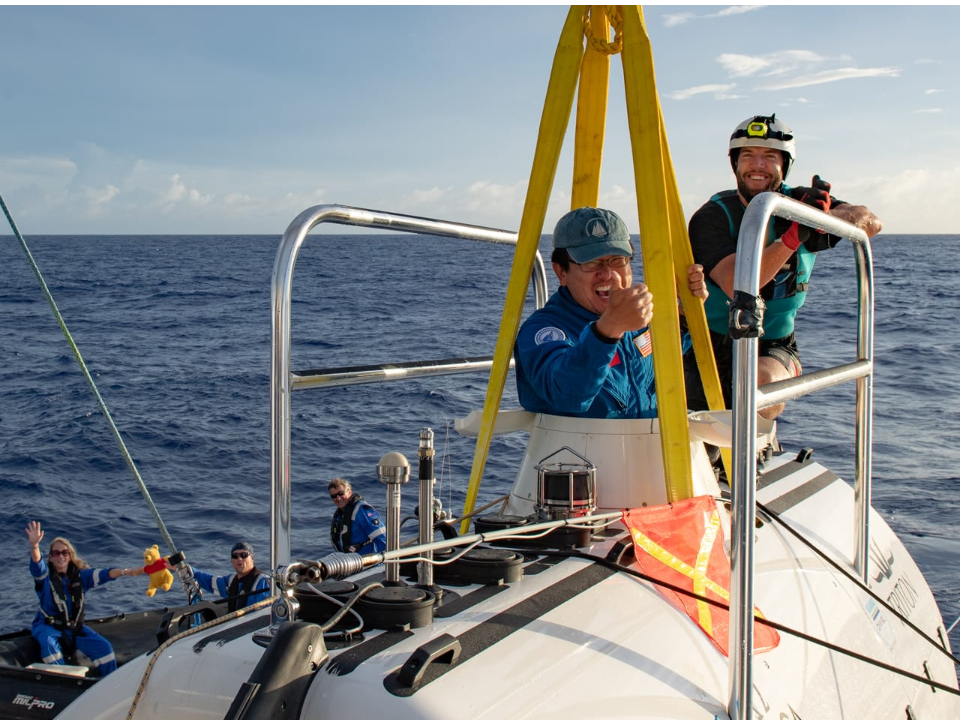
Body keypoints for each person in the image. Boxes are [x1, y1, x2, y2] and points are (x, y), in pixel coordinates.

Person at [684, 113, 882, 420]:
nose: (757, 165)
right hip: (706, 338)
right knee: (692, 424)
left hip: (773, 342)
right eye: (747, 156)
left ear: (784, 165)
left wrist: (822, 220)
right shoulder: (712, 217)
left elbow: (870, 221)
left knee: (761, 385)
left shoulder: (799, 204)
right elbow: (741, 282)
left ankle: (758, 448)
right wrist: (793, 237)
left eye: (769, 157)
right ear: (735, 164)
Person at [513, 206, 708, 418]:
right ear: (561, 272)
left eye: (617, 260)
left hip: (645, 445)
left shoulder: (634, 320)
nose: (608, 275)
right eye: (591, 262)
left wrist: (682, 315)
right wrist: (607, 331)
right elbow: (567, 395)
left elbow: (661, 362)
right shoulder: (542, 330)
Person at [26, 520, 143, 676]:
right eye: (56, 553)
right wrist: (34, 546)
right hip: (47, 626)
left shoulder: (81, 577)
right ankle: (64, 683)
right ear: (51, 558)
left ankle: (108, 684)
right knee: (48, 646)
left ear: (70, 556)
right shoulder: (45, 576)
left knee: (104, 648)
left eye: (64, 553)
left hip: (73, 627)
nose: (60, 556)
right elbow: (37, 565)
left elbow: (105, 574)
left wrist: (126, 572)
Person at [191, 541, 271, 612]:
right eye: (235, 556)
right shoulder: (231, 581)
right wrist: (189, 571)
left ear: (252, 558)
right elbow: (209, 581)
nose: (239, 558)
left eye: (244, 555)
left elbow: (266, 613)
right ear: (231, 561)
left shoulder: (263, 582)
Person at [329, 477, 387, 555]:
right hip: (349, 563)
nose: (338, 498)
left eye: (341, 493)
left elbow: (383, 539)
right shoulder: (339, 516)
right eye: (334, 496)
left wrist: (383, 562)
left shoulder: (362, 511)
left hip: (368, 563)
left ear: (349, 492)